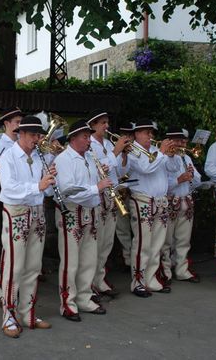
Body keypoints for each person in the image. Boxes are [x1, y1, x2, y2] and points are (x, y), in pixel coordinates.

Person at [0, 115, 56, 338]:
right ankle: (8, 315)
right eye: (33, 135)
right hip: (17, 214)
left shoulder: (40, 156)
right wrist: (37, 186)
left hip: (37, 213)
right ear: (21, 135)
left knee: (33, 267)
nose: (37, 139)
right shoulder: (8, 156)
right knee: (14, 267)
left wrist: (50, 181)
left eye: (38, 135)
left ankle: (27, 311)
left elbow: (45, 191)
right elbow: (9, 189)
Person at [54, 120, 113, 321]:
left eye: (89, 137)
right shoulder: (63, 159)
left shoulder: (89, 156)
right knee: (71, 261)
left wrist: (101, 174)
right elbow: (69, 192)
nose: (89, 141)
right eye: (85, 137)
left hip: (91, 211)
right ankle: (67, 303)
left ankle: (85, 298)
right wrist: (97, 187)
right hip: (72, 212)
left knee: (89, 259)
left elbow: (90, 185)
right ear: (73, 138)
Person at [122, 120, 179, 297]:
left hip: (160, 201)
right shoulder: (132, 152)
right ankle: (137, 282)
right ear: (137, 134)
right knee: (142, 244)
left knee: (157, 244)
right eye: (147, 133)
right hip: (142, 201)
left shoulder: (156, 151)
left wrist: (170, 155)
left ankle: (151, 278)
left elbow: (173, 168)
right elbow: (146, 168)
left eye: (151, 133)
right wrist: (162, 152)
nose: (150, 136)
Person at [86, 110, 129, 300]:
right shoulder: (89, 145)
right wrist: (117, 151)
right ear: (93, 125)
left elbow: (118, 170)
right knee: (96, 242)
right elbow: (99, 168)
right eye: (103, 123)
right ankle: (90, 282)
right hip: (99, 196)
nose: (107, 126)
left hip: (113, 195)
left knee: (107, 242)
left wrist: (124, 156)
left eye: (107, 122)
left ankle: (100, 278)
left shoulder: (109, 143)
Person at [161, 127, 202, 284]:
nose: (181, 144)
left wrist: (191, 176)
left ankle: (182, 270)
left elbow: (197, 181)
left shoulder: (186, 158)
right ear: (169, 141)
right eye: (177, 141)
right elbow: (161, 184)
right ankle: (165, 270)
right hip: (170, 202)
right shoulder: (162, 158)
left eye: (182, 141)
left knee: (184, 240)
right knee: (166, 241)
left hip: (186, 201)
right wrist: (179, 179)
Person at [0, 107, 25, 306]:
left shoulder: (16, 143)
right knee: (9, 250)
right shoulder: (3, 145)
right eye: (16, 123)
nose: (19, 126)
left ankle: (13, 290)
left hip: (24, 199)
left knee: (17, 252)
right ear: (6, 124)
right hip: (11, 199)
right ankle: (3, 292)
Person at [114, 122, 135, 270]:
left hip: (134, 192)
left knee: (136, 228)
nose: (127, 137)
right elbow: (115, 173)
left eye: (129, 134)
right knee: (122, 228)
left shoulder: (139, 150)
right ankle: (128, 258)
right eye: (124, 134)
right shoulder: (114, 149)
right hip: (120, 191)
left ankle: (136, 257)